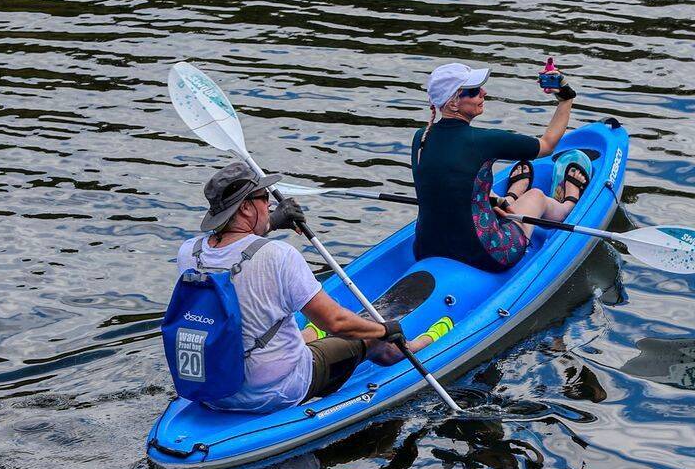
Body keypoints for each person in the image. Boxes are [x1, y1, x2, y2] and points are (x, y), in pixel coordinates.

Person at [176, 161, 409, 413]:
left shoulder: (190, 252)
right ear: (245, 207)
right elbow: (335, 322)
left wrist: (272, 222)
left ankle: (309, 337)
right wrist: (383, 329)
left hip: (215, 390)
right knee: (372, 339)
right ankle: (418, 347)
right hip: (274, 391)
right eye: (263, 198)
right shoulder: (280, 255)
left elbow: (236, 250)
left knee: (291, 330)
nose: (269, 205)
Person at [410, 61, 589, 272]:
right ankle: (567, 205)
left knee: (478, 190)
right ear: (453, 103)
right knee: (536, 196)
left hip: (426, 249)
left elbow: (448, 181)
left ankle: (510, 198)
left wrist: (497, 201)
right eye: (474, 91)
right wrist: (566, 98)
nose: (483, 92)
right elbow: (547, 145)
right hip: (485, 255)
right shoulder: (484, 141)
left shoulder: (421, 137)